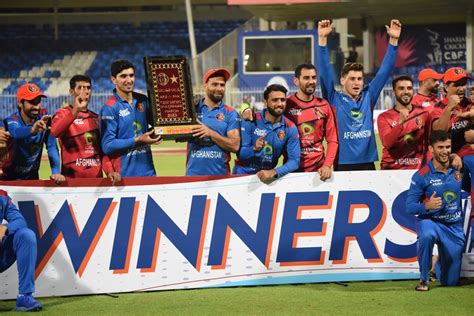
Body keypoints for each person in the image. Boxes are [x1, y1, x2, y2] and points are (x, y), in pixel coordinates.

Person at [317, 19, 401, 171]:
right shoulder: (333, 98)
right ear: (342, 80)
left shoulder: (369, 95)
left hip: (368, 163)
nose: (357, 83)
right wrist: (322, 40)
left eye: (360, 79)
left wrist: (393, 41)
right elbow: (324, 72)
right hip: (341, 164)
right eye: (352, 79)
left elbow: (384, 71)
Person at [406, 130, 465, 290]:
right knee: (426, 235)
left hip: (453, 226)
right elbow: (409, 206)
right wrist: (426, 206)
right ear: (431, 149)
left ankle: (436, 263)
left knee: (450, 282)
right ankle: (423, 279)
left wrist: (458, 156)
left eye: (448, 147)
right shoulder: (421, 175)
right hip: (431, 221)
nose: (445, 151)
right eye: (440, 147)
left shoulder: (459, 167)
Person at [51, 75, 120, 181]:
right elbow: (55, 132)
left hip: (96, 182)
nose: (86, 91)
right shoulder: (62, 113)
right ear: (71, 92)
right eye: (80, 88)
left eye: (88, 88)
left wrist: (109, 171)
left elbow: (102, 152)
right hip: (71, 181)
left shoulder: (96, 118)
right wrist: (75, 111)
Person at [100, 60, 161, 177]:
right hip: (124, 176)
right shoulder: (109, 108)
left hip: (149, 173)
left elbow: (156, 125)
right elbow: (107, 145)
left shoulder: (143, 100)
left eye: (131, 75)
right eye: (123, 76)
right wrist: (137, 140)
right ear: (114, 80)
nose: (129, 80)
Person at [233, 84, 300, 182]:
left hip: (267, 179)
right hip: (242, 176)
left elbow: (294, 161)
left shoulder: (290, 127)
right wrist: (254, 149)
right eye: (274, 100)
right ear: (265, 102)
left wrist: (274, 172)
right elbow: (241, 154)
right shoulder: (251, 120)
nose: (279, 104)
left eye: (282, 100)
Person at [2, 83, 64, 183]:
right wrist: (32, 130)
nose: (37, 106)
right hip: (9, 182)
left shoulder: (45, 120)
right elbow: (15, 132)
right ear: (20, 103)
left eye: (38, 101)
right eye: (32, 102)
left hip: (32, 181)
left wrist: (56, 171)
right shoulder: (12, 120)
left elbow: (51, 146)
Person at [285, 63, 338, 181]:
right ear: (296, 81)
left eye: (313, 77)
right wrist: (246, 109)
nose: (311, 81)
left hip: (319, 172)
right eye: (306, 78)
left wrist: (327, 165)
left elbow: (332, 140)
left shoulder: (323, 105)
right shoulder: (286, 105)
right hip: (292, 171)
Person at [186, 68, 240, 176]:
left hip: (220, 178)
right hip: (192, 177)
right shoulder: (192, 110)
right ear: (205, 85)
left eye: (222, 85)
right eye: (214, 84)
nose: (219, 88)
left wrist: (210, 133)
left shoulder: (230, 113)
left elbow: (235, 146)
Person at [0, 190, 42, 311]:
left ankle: (25, 296)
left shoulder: (2, 196)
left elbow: (20, 221)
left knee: (26, 236)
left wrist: (5, 228)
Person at [377, 75, 430, 169]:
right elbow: (388, 143)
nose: (406, 92)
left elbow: (429, 143)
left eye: (409, 88)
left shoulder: (423, 114)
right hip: (391, 171)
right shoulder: (384, 117)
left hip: (416, 170)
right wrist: (400, 124)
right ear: (393, 92)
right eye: (401, 88)